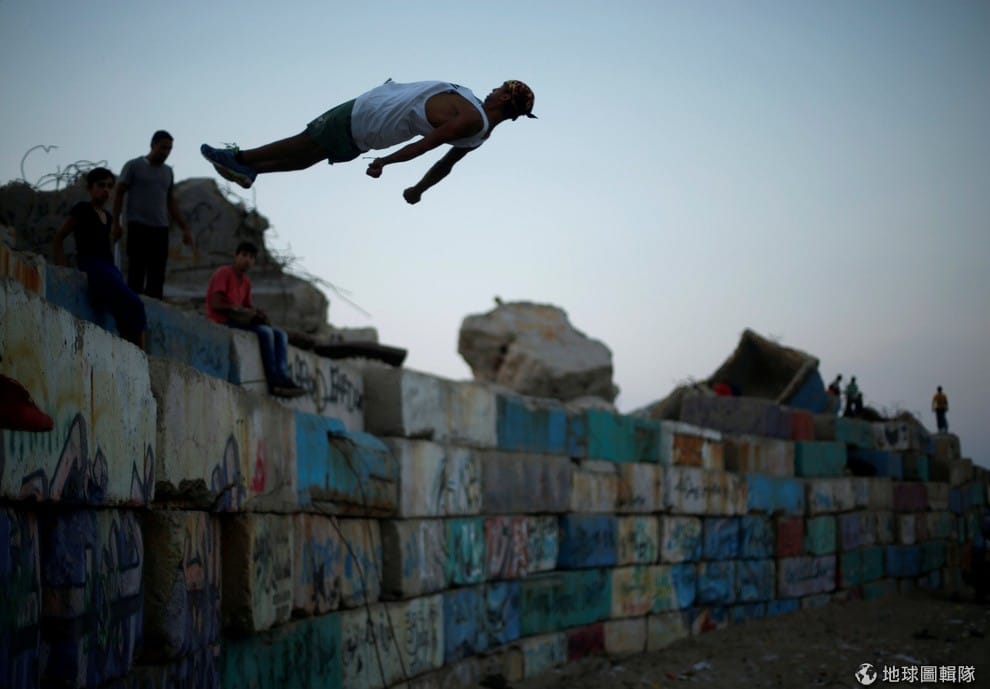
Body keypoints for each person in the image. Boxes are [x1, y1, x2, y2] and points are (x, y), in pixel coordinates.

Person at [200, 79, 537, 203]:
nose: (493, 88)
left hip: (368, 114)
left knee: (306, 141)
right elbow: (445, 166)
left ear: (505, 98)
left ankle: (239, 158)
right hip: (373, 134)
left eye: (500, 87)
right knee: (312, 154)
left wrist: (386, 163)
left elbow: (429, 146)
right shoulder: (480, 135)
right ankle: (254, 170)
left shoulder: (472, 117)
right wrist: (418, 190)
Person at [54, 167, 147, 348]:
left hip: (109, 267)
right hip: (92, 264)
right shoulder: (82, 209)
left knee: (124, 309)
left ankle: (132, 350)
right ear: (90, 188)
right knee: (135, 304)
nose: (106, 190)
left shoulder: (108, 217)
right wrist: (62, 266)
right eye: (101, 185)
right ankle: (142, 354)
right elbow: (59, 237)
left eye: (109, 186)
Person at [206, 242, 305, 398]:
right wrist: (238, 310)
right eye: (244, 255)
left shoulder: (246, 282)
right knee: (266, 332)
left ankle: (283, 376)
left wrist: (257, 313)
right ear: (236, 256)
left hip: (239, 321)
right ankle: (273, 381)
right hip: (223, 320)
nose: (247, 260)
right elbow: (215, 303)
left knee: (281, 334)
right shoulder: (223, 273)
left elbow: (247, 307)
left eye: (251, 257)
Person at [112, 130, 193, 299]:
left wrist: (185, 228)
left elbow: (170, 200)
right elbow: (119, 192)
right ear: (153, 145)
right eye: (163, 147)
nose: (166, 152)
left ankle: (153, 309)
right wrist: (116, 223)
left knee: (157, 275)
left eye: (169, 149)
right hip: (138, 226)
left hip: (160, 229)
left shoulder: (168, 172)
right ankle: (133, 308)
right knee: (136, 272)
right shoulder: (134, 166)